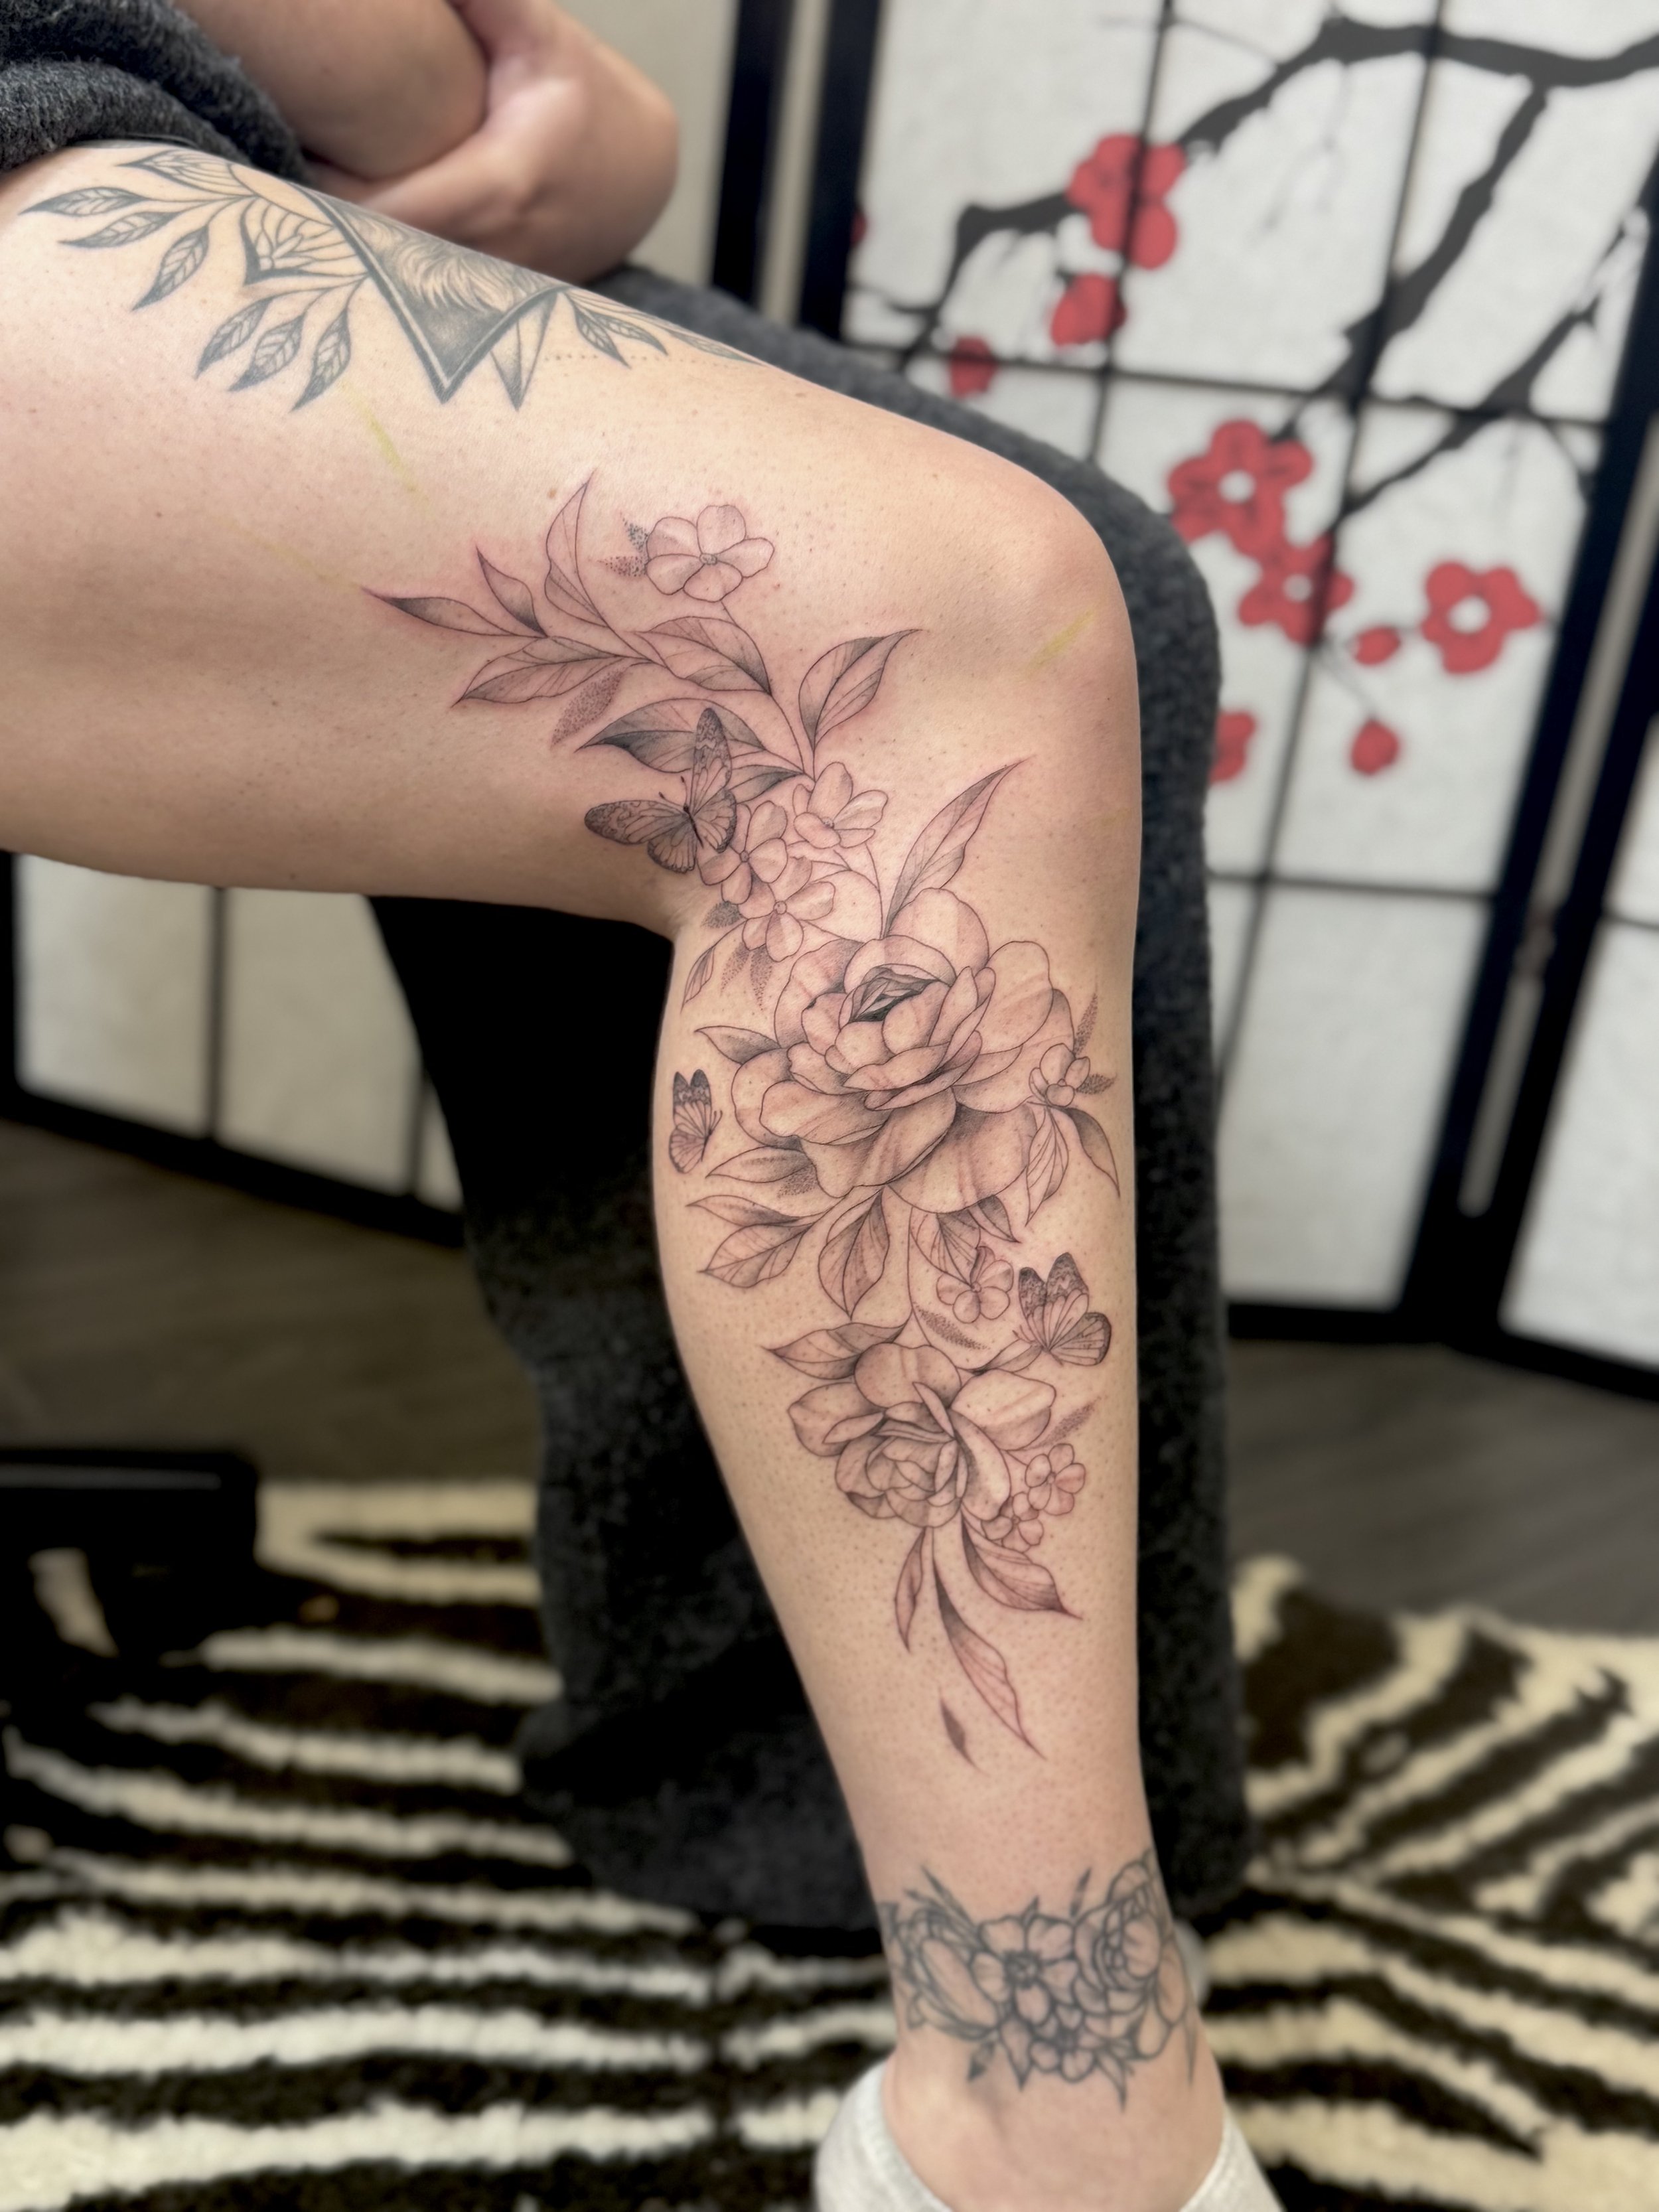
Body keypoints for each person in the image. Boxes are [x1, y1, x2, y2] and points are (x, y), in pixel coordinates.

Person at [0, 4, 1273, 2205]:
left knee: (1103, 602)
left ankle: (765, 1763)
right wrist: (435, 97)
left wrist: (581, 109)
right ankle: (1046, 2103)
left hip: (162, 102)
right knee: (924, 669)